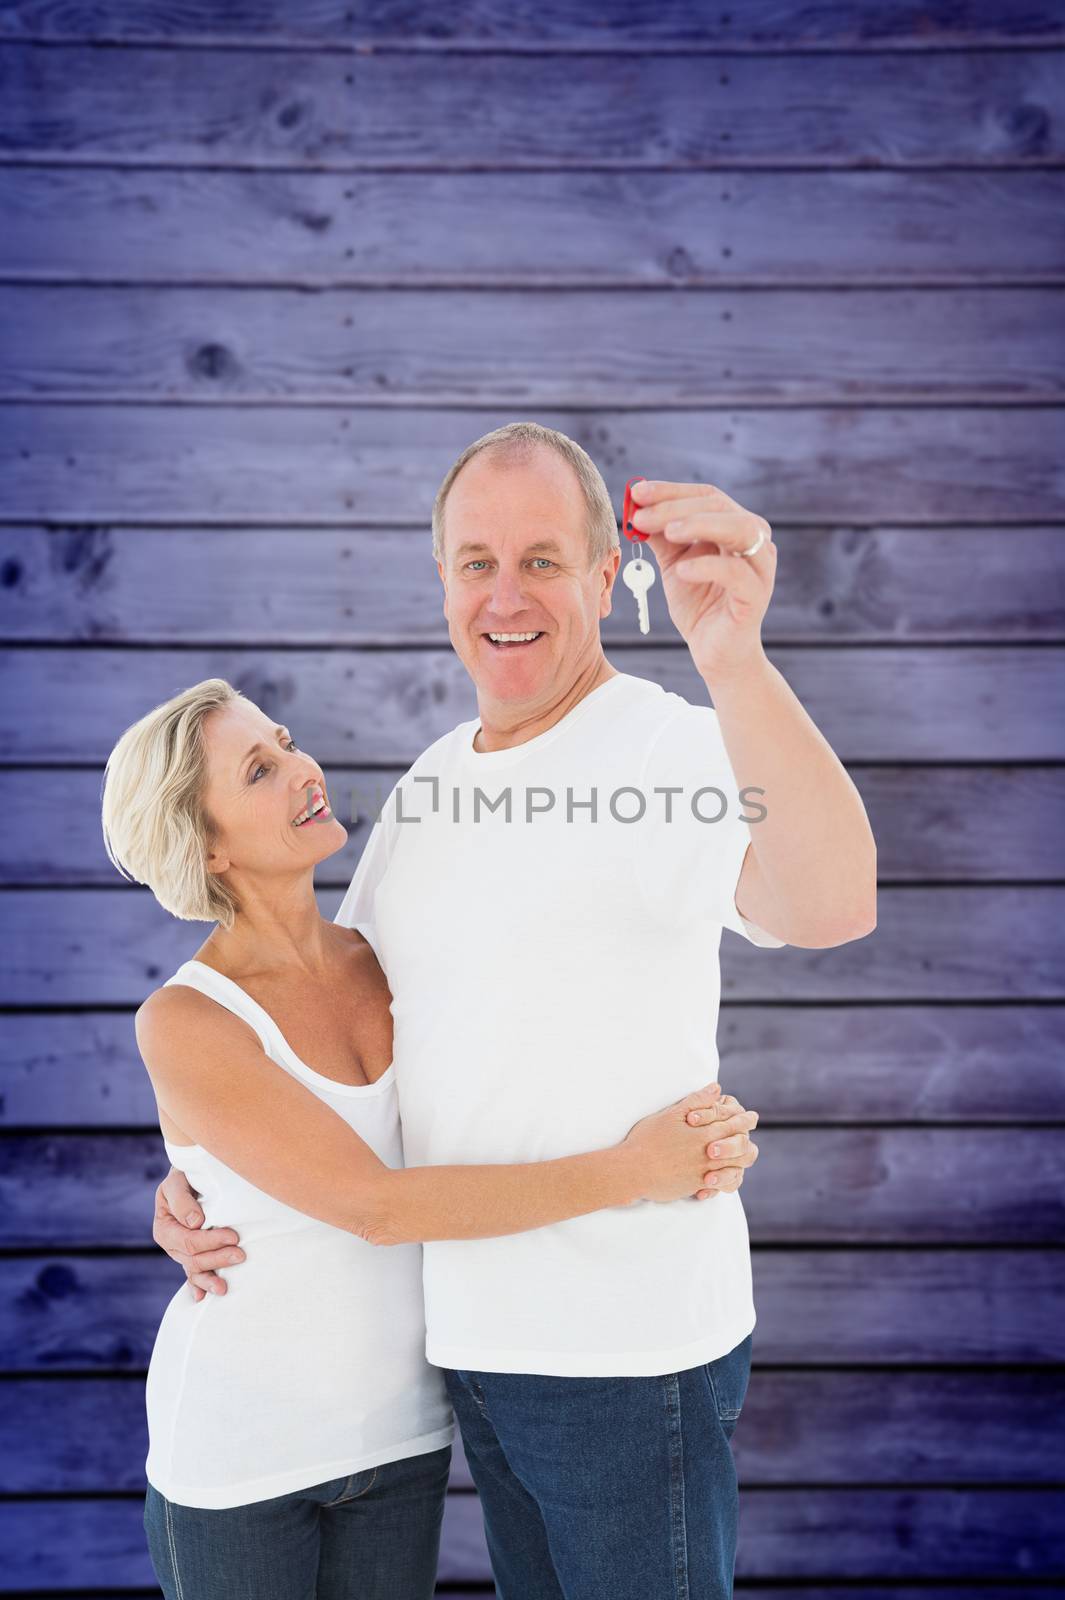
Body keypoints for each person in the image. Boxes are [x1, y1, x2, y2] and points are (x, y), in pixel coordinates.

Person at [155, 422, 876, 1599]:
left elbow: (835, 902)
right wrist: (201, 1174)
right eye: (475, 560)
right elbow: (349, 1044)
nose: (506, 594)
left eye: (543, 560)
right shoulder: (431, 791)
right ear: (440, 579)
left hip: (626, 1352)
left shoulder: (670, 749)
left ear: (604, 578)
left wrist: (735, 659)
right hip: (470, 1356)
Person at [101, 677, 758, 1600]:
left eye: (286, 742)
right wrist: (631, 1170)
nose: (301, 768)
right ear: (202, 842)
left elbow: (512, 1070)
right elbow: (374, 1207)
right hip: (244, 1452)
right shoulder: (185, 1019)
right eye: (258, 769)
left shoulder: (387, 955)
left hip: (402, 1438)